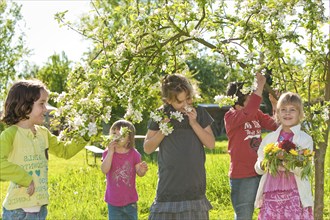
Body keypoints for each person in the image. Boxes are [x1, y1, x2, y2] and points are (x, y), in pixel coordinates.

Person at [0, 79, 87, 220]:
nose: (46, 109)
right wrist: (25, 179)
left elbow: (64, 151)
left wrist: (86, 135)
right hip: (18, 212)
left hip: (41, 210)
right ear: (24, 106)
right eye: (41, 104)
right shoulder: (10, 135)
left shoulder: (43, 133)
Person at [144, 74, 215, 220]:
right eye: (180, 102)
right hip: (168, 191)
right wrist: (163, 130)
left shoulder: (199, 112)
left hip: (194, 192)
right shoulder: (161, 114)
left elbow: (211, 143)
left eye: (188, 99)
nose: (185, 105)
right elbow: (147, 148)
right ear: (168, 100)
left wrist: (194, 123)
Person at [224, 72, 278, 220]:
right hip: (243, 175)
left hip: (261, 171)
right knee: (244, 216)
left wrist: (274, 103)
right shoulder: (230, 116)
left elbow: (275, 125)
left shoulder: (256, 113)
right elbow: (248, 112)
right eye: (249, 98)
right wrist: (260, 85)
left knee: (268, 213)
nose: (255, 101)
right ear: (238, 100)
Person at [254, 92, 314, 219]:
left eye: (292, 110)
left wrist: (285, 163)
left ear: (300, 114)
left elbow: (304, 169)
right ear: (277, 113)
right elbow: (258, 166)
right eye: (283, 110)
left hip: (295, 194)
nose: (287, 113)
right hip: (271, 193)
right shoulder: (270, 139)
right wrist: (265, 164)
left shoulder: (305, 139)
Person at [101, 119, 148, 220]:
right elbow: (104, 170)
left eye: (121, 133)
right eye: (114, 132)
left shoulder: (134, 154)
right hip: (113, 201)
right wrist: (110, 152)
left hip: (130, 201)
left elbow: (139, 173)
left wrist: (142, 171)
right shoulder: (108, 153)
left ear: (129, 139)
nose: (116, 136)